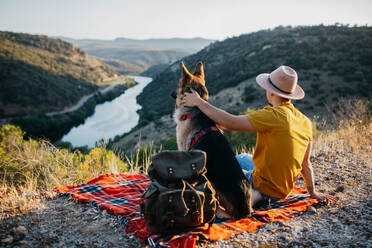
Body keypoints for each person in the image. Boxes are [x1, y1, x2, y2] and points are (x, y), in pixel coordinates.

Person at [180, 65, 333, 207]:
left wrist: (199, 102)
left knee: (229, 163)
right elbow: (306, 163)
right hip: (283, 191)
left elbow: (230, 123)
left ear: (271, 92)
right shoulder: (304, 121)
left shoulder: (272, 115)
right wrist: (312, 192)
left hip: (264, 190)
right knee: (245, 157)